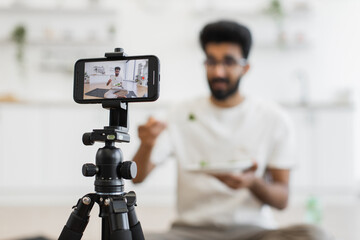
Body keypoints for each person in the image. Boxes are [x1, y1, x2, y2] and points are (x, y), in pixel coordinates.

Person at [132, 20, 331, 240]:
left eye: (228, 62)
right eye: (211, 62)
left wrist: (253, 182)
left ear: (245, 67)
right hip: (188, 233)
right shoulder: (179, 113)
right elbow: (138, 176)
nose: (218, 71)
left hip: (254, 232)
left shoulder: (273, 118)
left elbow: (281, 199)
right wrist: (147, 144)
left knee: (315, 235)